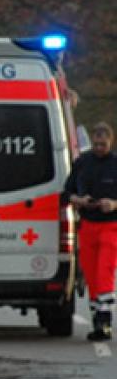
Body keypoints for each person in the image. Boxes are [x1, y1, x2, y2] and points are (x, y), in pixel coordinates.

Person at [64, 122, 117, 341]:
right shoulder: (82, 163)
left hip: (111, 226)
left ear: (110, 142)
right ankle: (98, 320)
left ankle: (105, 321)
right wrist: (78, 200)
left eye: (103, 144)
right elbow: (67, 192)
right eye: (96, 143)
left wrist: (114, 204)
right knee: (91, 276)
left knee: (104, 271)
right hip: (87, 226)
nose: (99, 147)